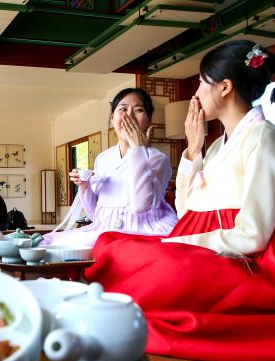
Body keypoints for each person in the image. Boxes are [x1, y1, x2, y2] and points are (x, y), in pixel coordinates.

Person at [85, 40, 275, 361]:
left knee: (157, 270)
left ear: (225, 87)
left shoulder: (264, 138)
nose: (195, 92)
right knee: (112, 246)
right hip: (213, 242)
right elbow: (187, 212)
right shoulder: (216, 147)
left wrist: (181, 242)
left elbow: (253, 234)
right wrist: (193, 151)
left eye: (201, 82)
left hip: (254, 255)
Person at [42, 88, 178, 247]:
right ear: (113, 118)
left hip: (142, 231)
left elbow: (141, 206)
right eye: (122, 109)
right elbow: (95, 214)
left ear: (148, 121)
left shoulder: (157, 159)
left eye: (139, 110)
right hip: (104, 229)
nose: (129, 115)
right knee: (50, 244)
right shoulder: (103, 159)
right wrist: (85, 186)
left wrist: (137, 149)